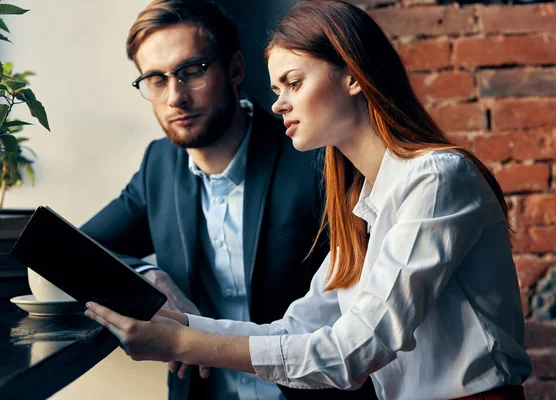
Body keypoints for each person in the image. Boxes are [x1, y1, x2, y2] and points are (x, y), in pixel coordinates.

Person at [84, 1, 532, 399]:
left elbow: (354, 352)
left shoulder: (436, 178)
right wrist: (177, 326)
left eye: (293, 83)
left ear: (353, 76)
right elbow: (297, 328)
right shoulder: (363, 200)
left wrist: (182, 345)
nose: (278, 104)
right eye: (277, 89)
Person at [80, 1, 377, 399]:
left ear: (235, 69)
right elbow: (82, 249)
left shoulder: (313, 153)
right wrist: (150, 278)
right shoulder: (159, 165)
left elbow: (360, 316)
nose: (175, 98)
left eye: (192, 72)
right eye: (155, 79)